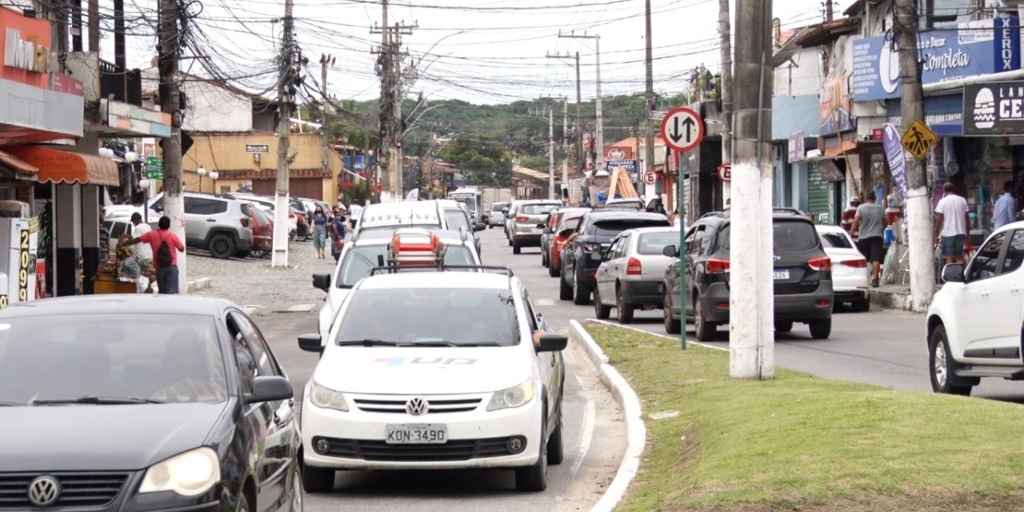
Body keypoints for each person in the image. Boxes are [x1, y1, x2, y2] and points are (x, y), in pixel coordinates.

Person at [120, 216, 184, 294]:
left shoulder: (152, 235)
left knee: (162, 292)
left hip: (160, 268)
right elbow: (181, 249)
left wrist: (124, 243)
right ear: (169, 225)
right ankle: (169, 304)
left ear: (159, 224)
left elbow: (137, 240)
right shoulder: (173, 236)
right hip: (172, 267)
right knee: (170, 292)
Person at [850, 190, 887, 287]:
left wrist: (851, 233)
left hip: (863, 237)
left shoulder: (861, 208)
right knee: (876, 259)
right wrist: (881, 229)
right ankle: (875, 279)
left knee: (863, 259)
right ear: (874, 198)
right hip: (877, 236)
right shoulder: (880, 208)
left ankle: (863, 279)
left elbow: (856, 221)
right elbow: (886, 222)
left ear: (866, 198)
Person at [934, 182, 971, 266]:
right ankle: (964, 275)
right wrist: (968, 233)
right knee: (959, 256)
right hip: (961, 233)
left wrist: (936, 235)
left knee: (949, 257)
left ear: (944, 190)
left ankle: (951, 277)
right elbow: (967, 219)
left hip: (948, 234)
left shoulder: (942, 201)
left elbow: (939, 220)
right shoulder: (962, 200)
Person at [129, 213, 154, 293]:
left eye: (133, 221)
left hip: (141, 255)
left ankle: (144, 289)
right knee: (148, 271)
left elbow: (136, 239)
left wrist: (125, 243)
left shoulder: (137, 228)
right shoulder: (147, 226)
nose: (133, 223)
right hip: (149, 253)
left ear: (136, 220)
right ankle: (149, 287)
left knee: (142, 273)